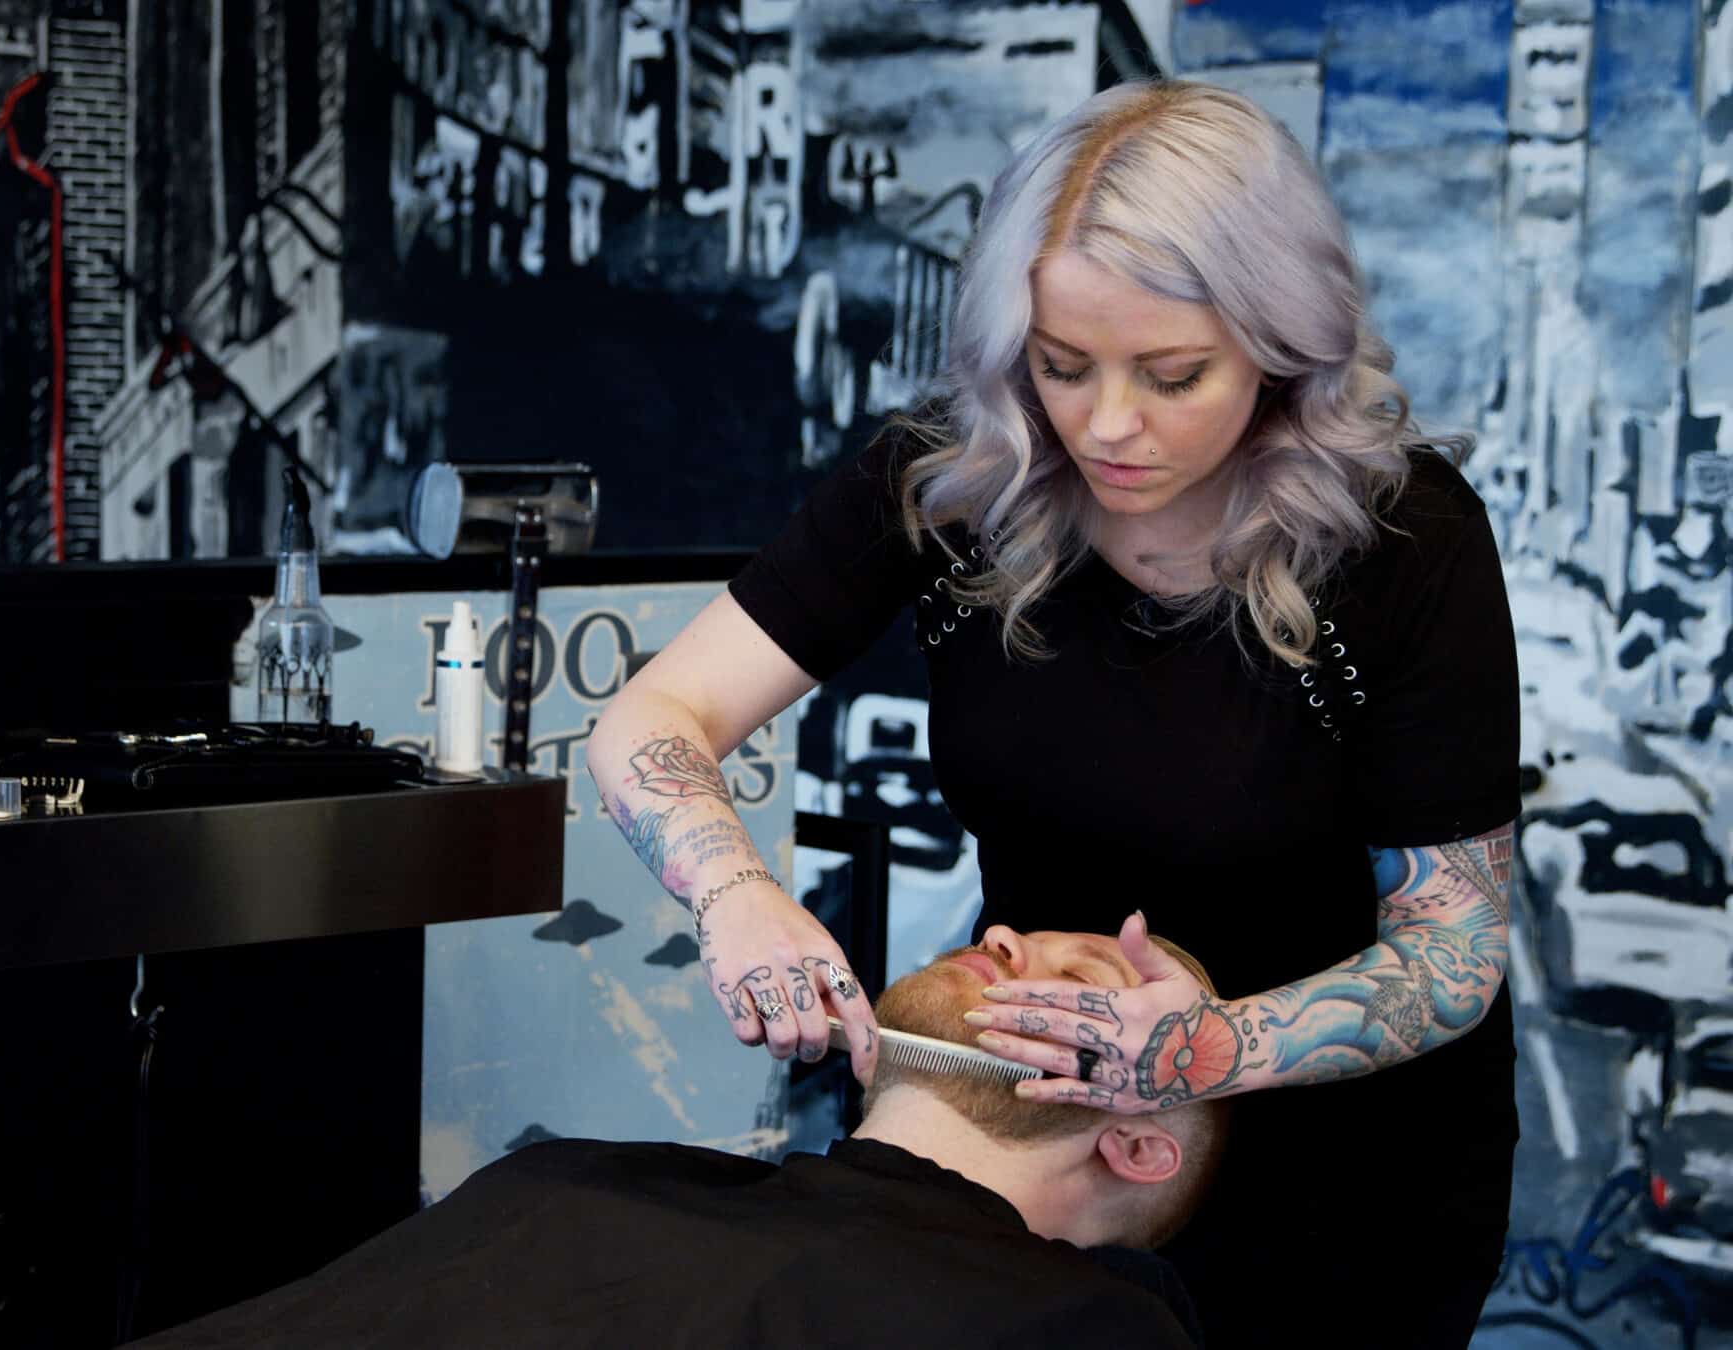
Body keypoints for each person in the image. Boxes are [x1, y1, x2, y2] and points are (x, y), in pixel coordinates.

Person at [586, 80, 1518, 1349]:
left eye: (1174, 374)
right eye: (1063, 365)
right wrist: (731, 893)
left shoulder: (1402, 538)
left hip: (1340, 1170)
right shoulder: (953, 478)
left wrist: (1202, 1049)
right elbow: (657, 714)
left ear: (1282, 349)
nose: (1109, 426)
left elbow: (1451, 955)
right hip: (1022, 1144)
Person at [133, 926, 1229, 1348]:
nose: (1003, 935)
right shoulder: (582, 1175)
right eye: (1017, 931)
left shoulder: (1081, 1328)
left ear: (1135, 1145)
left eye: (1082, 980)